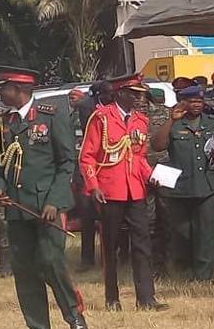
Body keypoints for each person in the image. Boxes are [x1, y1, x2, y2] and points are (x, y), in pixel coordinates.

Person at [0, 66, 87, 329]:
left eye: (2, 88)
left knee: (50, 262)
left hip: (47, 208)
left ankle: (75, 317)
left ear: (19, 89)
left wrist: (55, 201)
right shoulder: (2, 123)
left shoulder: (51, 116)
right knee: (25, 269)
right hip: (18, 209)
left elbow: (66, 162)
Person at [80, 72, 167, 311]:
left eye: (140, 94)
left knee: (142, 243)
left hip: (135, 190)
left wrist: (152, 176)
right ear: (120, 94)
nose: (139, 99)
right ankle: (112, 298)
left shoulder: (141, 120)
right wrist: (93, 186)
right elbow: (87, 157)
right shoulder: (101, 118)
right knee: (110, 246)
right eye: (134, 94)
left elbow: (139, 156)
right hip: (109, 190)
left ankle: (146, 298)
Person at [152, 85, 214, 282]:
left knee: (207, 232)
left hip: (209, 185)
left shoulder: (213, 123)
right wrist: (170, 120)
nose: (196, 105)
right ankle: (184, 271)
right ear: (182, 102)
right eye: (192, 101)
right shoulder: (174, 124)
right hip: (181, 186)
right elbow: (157, 145)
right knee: (182, 232)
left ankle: (203, 275)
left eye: (200, 102)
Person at [73, 79, 113, 270]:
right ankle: (87, 259)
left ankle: (115, 256)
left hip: (107, 168)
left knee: (111, 218)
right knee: (87, 217)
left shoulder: (114, 110)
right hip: (87, 170)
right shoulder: (86, 108)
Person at [143, 87, 173, 278]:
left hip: (164, 168)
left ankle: (172, 259)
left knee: (169, 215)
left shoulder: (166, 113)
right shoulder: (130, 114)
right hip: (141, 170)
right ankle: (154, 264)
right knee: (148, 219)